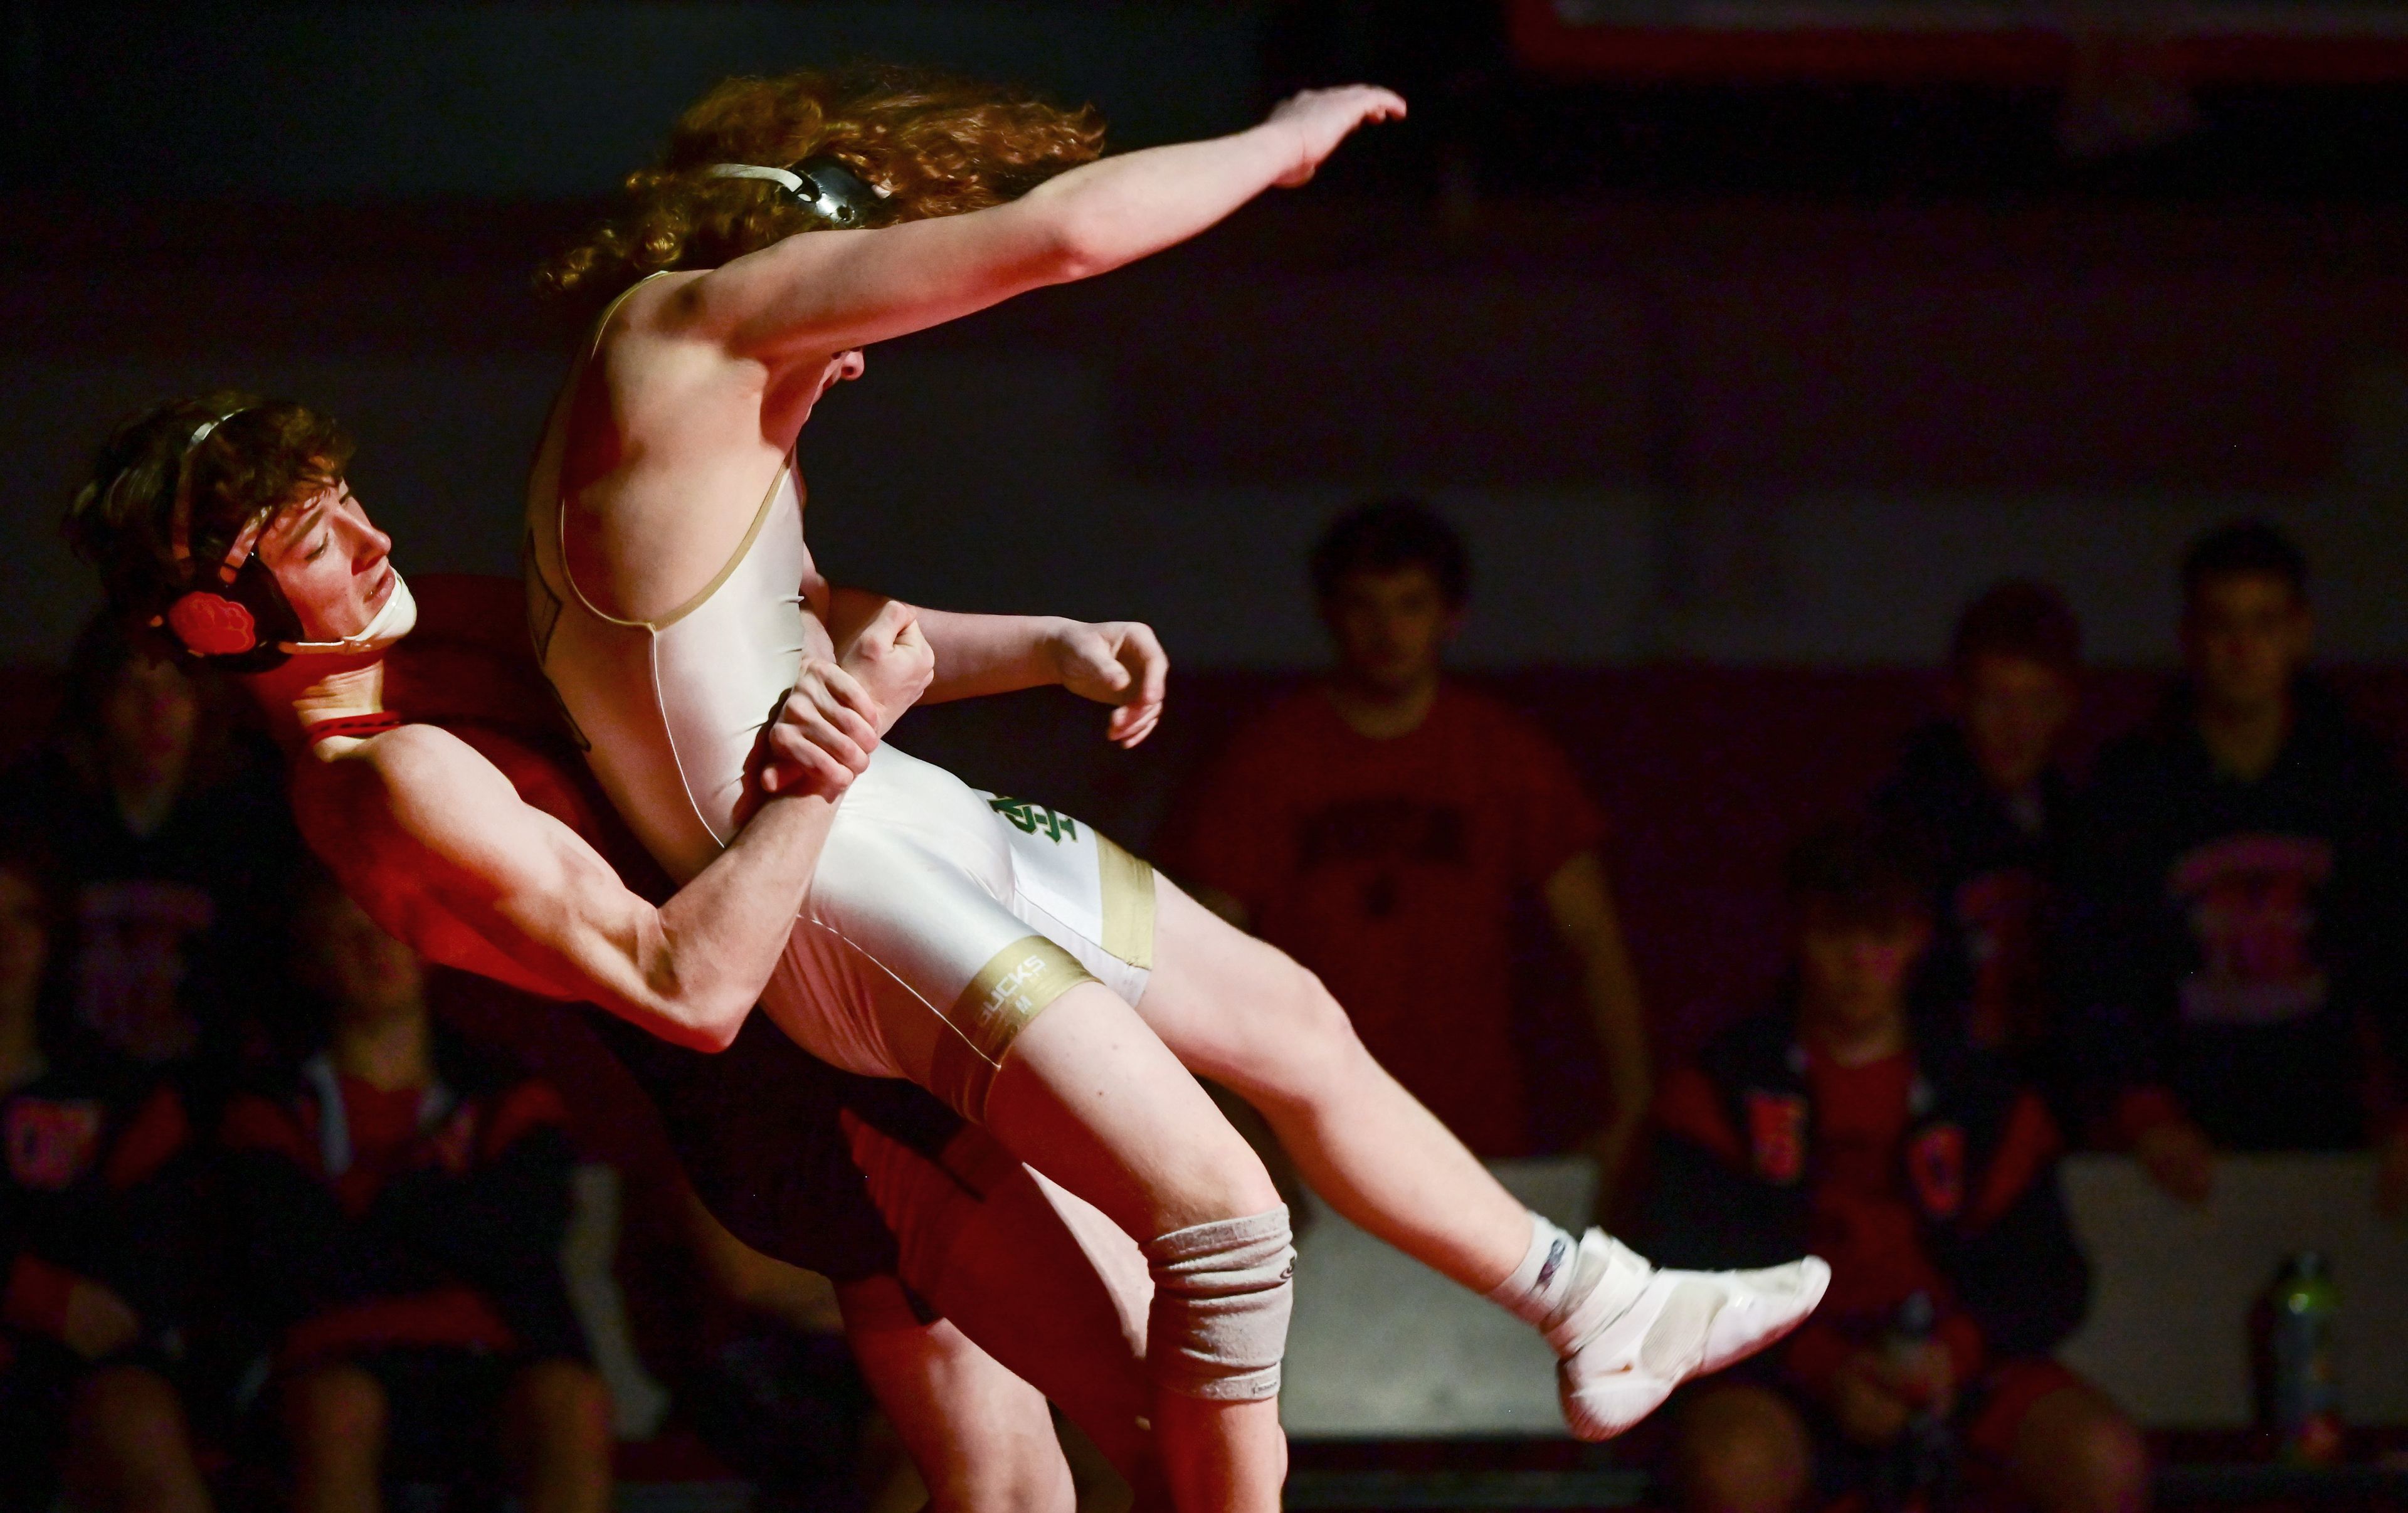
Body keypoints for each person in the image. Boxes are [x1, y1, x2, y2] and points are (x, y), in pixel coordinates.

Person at [527, 60, 1823, 1496]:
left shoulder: (683, 409)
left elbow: (800, 621)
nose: (859, 355)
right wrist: (1270, 150)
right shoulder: (684, 323)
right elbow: (1063, 238)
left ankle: (1594, 1301)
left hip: (896, 814)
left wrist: (1039, 645)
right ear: (789, 249)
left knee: (1290, 1017)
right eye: (851, 308)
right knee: (1222, 1225)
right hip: (828, 876)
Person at [60, 395, 1189, 1513]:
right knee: (1180, 1426)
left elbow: (762, 639)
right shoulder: (383, 774)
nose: (376, 542)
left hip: (837, 1052)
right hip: (804, 1095)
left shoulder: (423, 627)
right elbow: (687, 990)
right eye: (319, 541)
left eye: (353, 503)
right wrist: (836, 749)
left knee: (1014, 1487)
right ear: (219, 622)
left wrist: (1045, 647)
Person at [1646, 820, 2147, 1513]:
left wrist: (1955, 1354)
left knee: (2102, 1459)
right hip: (1782, 1375)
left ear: (1917, 940)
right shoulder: (1725, 1085)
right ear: (1798, 933)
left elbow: (2048, 1272)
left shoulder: (1981, 1095)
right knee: (1734, 1463)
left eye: (1881, 937)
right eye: (1834, 935)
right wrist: (1825, 1371)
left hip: (1952, 1366)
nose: (1858, 963)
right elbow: (1685, 1275)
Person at [1170, 497, 1652, 1180]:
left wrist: (1632, 1106)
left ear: (1451, 617)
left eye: (1410, 605)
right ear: (1329, 614)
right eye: (1364, 605)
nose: (1386, 630)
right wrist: (1239, 1135)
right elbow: (1201, 966)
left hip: (1473, 1129)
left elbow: (1594, 941)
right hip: (1303, 1135)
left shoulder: (1503, 754)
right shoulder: (1265, 761)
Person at [218, 870, 611, 1513]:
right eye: (349, 932)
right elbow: (287, 1254)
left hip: (483, 1357)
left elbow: (523, 1239)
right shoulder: (267, 1098)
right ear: (311, 954)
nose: (377, 949)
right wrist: (436, 1215)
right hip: (326, 1354)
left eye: (392, 926)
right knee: (342, 1407)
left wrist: (365, 1211)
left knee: (570, 1401)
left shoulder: (506, 1091)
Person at [2070, 520, 2408, 1211]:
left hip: (2327, 1121)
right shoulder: (2131, 785)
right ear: (2190, 637)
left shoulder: (2355, 779)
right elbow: (2099, 966)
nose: (2244, 649)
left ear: (2300, 632)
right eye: (2223, 624)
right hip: (2175, 1137)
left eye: (2265, 623)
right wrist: (2142, 1109)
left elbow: (2397, 950)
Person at [0, 834, 212, 1513]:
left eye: (24, 917)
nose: (3, 941)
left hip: (78, 1381)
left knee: (135, 1411)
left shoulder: (121, 1095)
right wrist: (38, 1291)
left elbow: (132, 1300)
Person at [0, 613, 300, 1083]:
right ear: (97, 702)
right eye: (132, 689)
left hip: (208, 1086)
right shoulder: (39, 811)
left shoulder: (250, 819)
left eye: (177, 690)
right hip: (68, 1083)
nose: (156, 710)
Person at [1873, 581, 2083, 1107]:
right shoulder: (1908, 825)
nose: (2017, 726)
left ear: (2066, 704)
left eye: (2037, 701)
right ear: (1956, 698)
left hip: (2049, 1100)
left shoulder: (2083, 826)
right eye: (1997, 699)